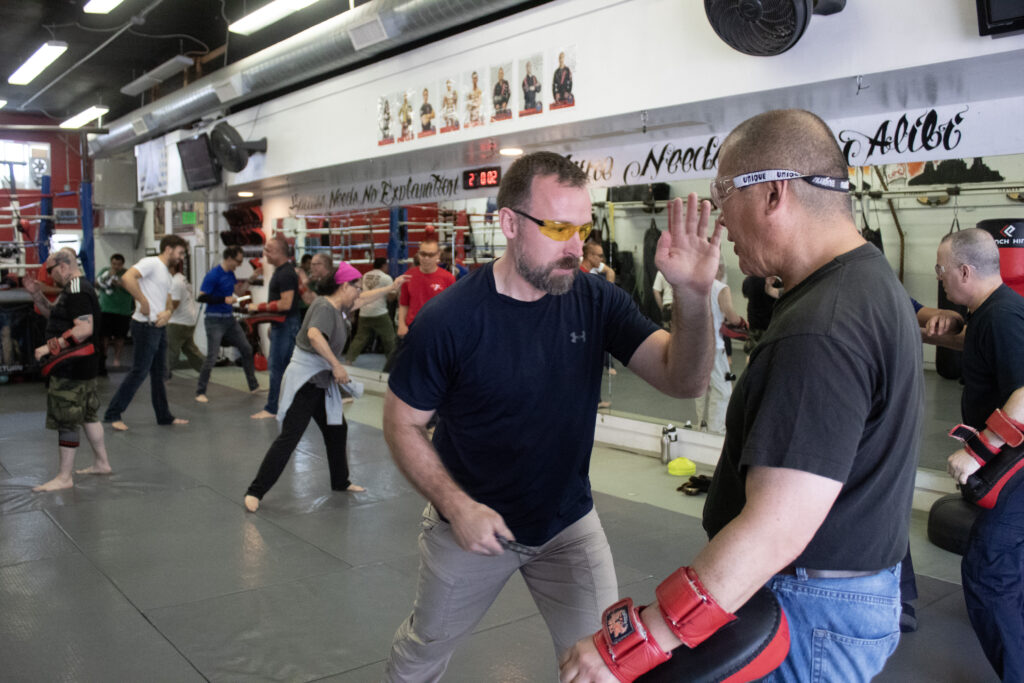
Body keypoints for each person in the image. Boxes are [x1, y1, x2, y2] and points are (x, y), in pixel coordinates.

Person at [559, 110, 923, 683]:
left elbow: (776, 526)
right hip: (845, 591)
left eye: (723, 194)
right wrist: (695, 293)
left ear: (774, 193)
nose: (721, 219)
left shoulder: (820, 326)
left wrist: (639, 641)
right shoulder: (873, 284)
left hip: (808, 607)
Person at [382, 151, 720, 681]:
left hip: (567, 525)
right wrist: (456, 505)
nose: (576, 248)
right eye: (559, 228)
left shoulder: (595, 300)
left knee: (610, 666)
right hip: (470, 528)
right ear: (510, 224)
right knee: (424, 650)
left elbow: (685, 380)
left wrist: (694, 295)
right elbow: (402, 423)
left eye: (581, 228)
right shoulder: (450, 320)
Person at [243, 262, 406, 512]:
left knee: (337, 430)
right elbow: (314, 335)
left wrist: (390, 288)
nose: (358, 291)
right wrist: (336, 366)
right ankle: (255, 491)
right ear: (344, 286)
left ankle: (341, 481)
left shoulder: (340, 306)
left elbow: (362, 299)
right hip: (306, 383)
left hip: (320, 383)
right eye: (356, 286)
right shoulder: (324, 306)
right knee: (290, 437)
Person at [939, 228, 1024, 681]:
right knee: (1012, 568)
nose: (940, 278)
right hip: (1014, 467)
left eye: (942, 270)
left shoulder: (1002, 316)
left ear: (965, 271)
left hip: (1017, 469)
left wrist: (979, 449)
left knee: (988, 574)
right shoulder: (989, 313)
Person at [27, 248, 112, 491]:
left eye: (51, 271)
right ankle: (102, 463)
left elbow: (84, 329)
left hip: (71, 367)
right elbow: (54, 315)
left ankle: (64, 478)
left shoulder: (76, 289)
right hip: (83, 365)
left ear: (63, 266)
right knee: (88, 414)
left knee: (67, 419)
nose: (50, 277)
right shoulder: (75, 288)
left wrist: (49, 347)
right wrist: (37, 296)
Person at [102, 235, 190, 432]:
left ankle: (164, 416)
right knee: (140, 372)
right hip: (144, 326)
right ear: (168, 249)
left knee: (159, 374)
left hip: (158, 328)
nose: (181, 257)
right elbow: (127, 278)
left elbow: (168, 300)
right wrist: (142, 301)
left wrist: (168, 313)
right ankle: (113, 413)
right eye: (180, 252)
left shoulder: (167, 274)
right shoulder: (151, 263)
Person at [195, 246, 260, 403]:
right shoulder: (213, 275)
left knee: (246, 348)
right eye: (237, 261)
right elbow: (201, 297)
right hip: (214, 319)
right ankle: (200, 391)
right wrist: (222, 299)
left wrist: (252, 278)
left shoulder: (231, 274)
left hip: (228, 319)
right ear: (229, 258)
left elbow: (238, 293)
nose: (238, 264)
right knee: (212, 356)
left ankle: (253, 385)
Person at [250, 236, 301, 419]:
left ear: (279, 252)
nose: (265, 253)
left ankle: (272, 408)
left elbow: (286, 304)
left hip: (287, 324)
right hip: (283, 325)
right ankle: (288, 406)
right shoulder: (282, 271)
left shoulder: (286, 273)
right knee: (284, 366)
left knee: (277, 366)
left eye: (268, 250)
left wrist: (260, 307)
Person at [694, 261, 745, 435]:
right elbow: (731, 315)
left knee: (701, 389)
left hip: (695, 346)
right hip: (714, 347)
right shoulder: (720, 287)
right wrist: (742, 324)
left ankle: (700, 427)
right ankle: (715, 431)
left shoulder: (693, 285)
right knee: (723, 390)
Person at [395, 237, 455, 340]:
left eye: (431, 255)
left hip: (438, 330)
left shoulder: (448, 278)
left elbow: (453, 307)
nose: (426, 258)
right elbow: (404, 304)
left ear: (438, 255)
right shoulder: (408, 276)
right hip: (413, 329)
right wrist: (401, 325)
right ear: (418, 254)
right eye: (423, 254)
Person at [345, 257, 398, 364]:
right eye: (387, 265)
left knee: (360, 338)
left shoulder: (365, 276)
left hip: (364, 312)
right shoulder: (386, 278)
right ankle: (394, 363)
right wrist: (396, 290)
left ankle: (348, 360)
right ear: (384, 265)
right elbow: (391, 298)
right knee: (390, 339)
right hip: (380, 313)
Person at [165, 260, 204, 378]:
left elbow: (174, 304)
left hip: (178, 322)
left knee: (170, 350)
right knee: (190, 349)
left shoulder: (175, 282)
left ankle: (163, 374)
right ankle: (204, 369)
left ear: (170, 268)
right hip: (188, 321)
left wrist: (161, 313)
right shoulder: (182, 279)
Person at [95, 253, 132, 371]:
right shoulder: (105, 271)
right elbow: (96, 284)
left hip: (122, 310)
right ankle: (103, 358)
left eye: (119, 264)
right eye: (114, 264)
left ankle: (117, 359)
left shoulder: (128, 274)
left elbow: (134, 288)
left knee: (120, 336)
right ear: (111, 263)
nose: (116, 266)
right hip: (106, 308)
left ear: (123, 264)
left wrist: (121, 284)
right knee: (104, 336)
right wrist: (106, 278)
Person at [740, 274, 781, 354]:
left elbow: (745, 294)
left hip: (754, 323)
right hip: (770, 324)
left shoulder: (749, 279)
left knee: (752, 353)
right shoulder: (776, 281)